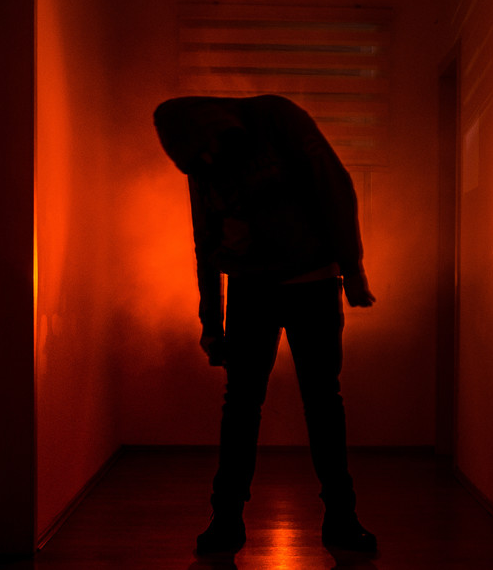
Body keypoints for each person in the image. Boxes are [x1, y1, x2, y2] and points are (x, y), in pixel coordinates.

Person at [153, 94, 380, 554]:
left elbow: (333, 185)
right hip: (254, 288)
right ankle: (228, 521)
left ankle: (339, 519)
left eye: (207, 152)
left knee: (316, 402)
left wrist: (352, 268)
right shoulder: (200, 155)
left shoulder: (276, 117)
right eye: (196, 161)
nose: (208, 163)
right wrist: (210, 321)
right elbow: (206, 240)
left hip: (310, 282)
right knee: (249, 405)